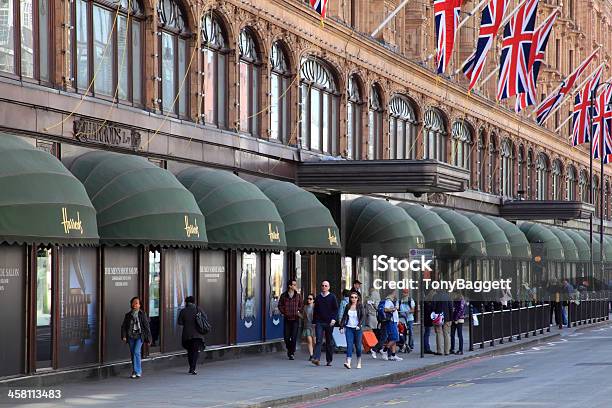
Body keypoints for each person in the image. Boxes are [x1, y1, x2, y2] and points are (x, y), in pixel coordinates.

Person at [121, 297, 152, 379]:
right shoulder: (128, 315)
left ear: (139, 305)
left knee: (136, 352)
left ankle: (138, 371)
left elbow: (146, 327)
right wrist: (124, 336)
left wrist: (149, 338)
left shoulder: (143, 314)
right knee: (133, 354)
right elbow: (124, 326)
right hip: (131, 336)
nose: (135, 304)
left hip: (139, 336)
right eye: (133, 303)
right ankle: (134, 371)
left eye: (137, 303)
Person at [311, 281, 338, 366]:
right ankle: (316, 358)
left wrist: (334, 319)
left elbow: (336, 309)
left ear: (329, 287)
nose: (324, 287)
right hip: (319, 322)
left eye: (326, 286)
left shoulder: (332, 297)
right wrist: (314, 322)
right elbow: (315, 310)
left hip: (329, 322)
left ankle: (329, 360)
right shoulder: (318, 297)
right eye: (322, 285)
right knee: (318, 340)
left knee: (329, 341)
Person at [177, 296, 206, 374]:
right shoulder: (198, 309)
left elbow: (179, 322)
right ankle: (193, 368)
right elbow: (205, 318)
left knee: (190, 351)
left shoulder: (183, 311)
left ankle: (191, 367)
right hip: (198, 334)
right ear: (194, 302)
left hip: (187, 335)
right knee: (195, 351)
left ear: (186, 302)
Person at [340, 292, 366, 369]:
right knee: (349, 345)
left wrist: (359, 325)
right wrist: (341, 326)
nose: (353, 299)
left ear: (357, 298)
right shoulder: (347, 306)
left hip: (357, 329)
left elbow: (362, 316)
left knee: (358, 346)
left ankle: (359, 361)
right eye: (352, 297)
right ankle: (348, 362)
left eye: (355, 297)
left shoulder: (360, 306)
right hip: (349, 328)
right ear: (350, 298)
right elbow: (344, 317)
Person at [278, 280, 303, 360]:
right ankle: (290, 349)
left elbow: (301, 305)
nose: (295, 286)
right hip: (287, 319)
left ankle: (291, 353)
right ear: (290, 286)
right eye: (294, 285)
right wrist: (284, 312)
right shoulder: (284, 295)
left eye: (295, 284)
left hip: (295, 319)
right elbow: (280, 305)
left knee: (294, 337)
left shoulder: (298, 296)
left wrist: (298, 310)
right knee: (286, 337)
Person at [383, 291, 402, 361]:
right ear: (391, 293)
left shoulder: (392, 301)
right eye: (394, 293)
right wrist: (394, 309)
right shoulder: (388, 301)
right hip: (391, 321)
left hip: (394, 321)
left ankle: (393, 355)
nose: (395, 294)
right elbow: (385, 309)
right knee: (396, 338)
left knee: (392, 338)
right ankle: (384, 350)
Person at [433, 289, 453, 356]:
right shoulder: (448, 296)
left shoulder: (435, 296)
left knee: (439, 333)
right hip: (447, 317)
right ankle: (447, 351)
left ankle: (439, 351)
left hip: (438, 316)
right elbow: (451, 308)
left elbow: (433, 307)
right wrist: (451, 318)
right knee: (446, 334)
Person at [302, 294, 316, 360]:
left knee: (315, 341)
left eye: (310, 299)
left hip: (315, 326)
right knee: (309, 341)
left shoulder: (316, 307)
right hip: (307, 325)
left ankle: (315, 353)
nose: (309, 300)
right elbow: (303, 316)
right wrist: (298, 314)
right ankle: (311, 355)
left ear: (313, 300)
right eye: (308, 298)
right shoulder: (305, 307)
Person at [423, 290, 434, 355]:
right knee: (427, 334)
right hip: (428, 320)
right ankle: (427, 348)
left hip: (426, 319)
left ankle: (426, 347)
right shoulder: (429, 303)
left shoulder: (426, 301)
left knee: (426, 334)